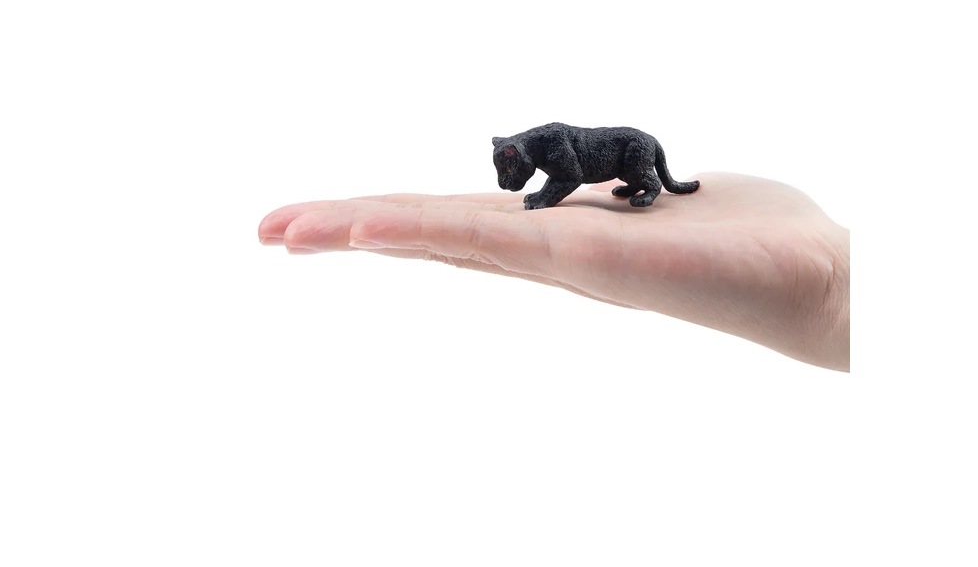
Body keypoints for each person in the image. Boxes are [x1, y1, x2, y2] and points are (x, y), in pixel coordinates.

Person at [258, 173, 851, 370]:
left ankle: (648, 186)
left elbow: (563, 180)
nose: (509, 184)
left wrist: (834, 281)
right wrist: (836, 282)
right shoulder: (547, 145)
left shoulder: (559, 153)